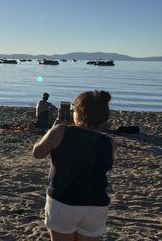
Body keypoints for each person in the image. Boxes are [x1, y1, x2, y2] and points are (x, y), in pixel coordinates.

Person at [33, 90, 115, 241]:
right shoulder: (109, 142)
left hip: (63, 201)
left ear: (78, 113)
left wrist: (53, 129)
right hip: (96, 204)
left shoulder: (60, 131)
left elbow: (37, 153)